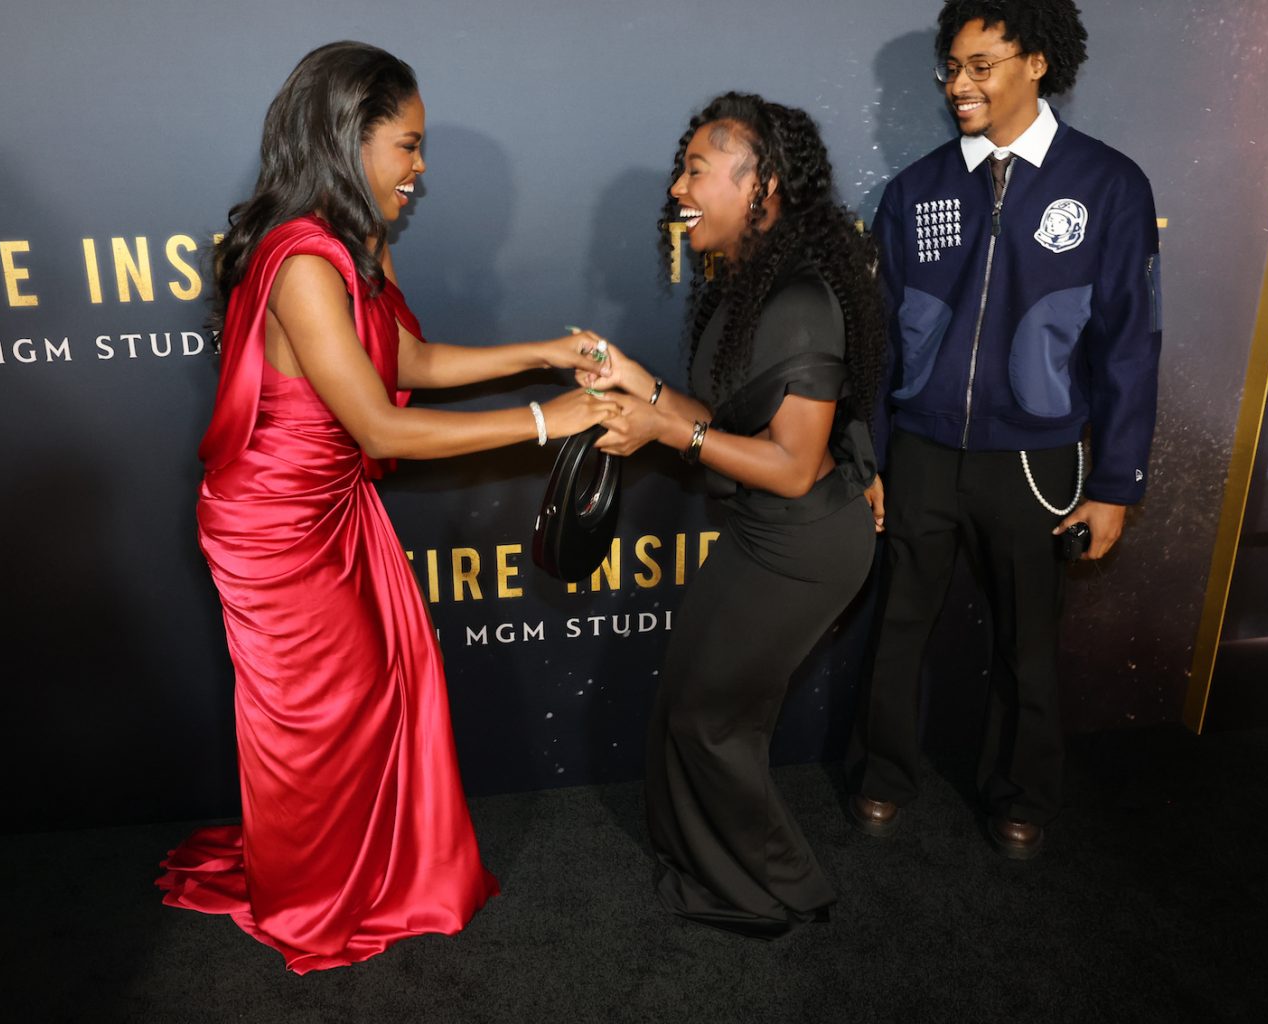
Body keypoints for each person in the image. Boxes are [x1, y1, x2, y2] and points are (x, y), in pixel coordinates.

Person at [155, 41, 613, 972]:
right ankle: (315, 896)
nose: (420, 166)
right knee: (325, 712)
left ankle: (363, 877)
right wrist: (543, 418)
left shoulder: (359, 244)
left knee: (380, 692)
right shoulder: (300, 262)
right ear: (347, 139)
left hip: (331, 506)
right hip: (272, 527)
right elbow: (383, 427)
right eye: (407, 144)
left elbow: (407, 363)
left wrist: (544, 353)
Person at [846, 0, 1162, 859]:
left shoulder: (1109, 186)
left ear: (1038, 63)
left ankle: (1023, 796)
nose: (958, 84)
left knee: (1029, 645)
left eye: (980, 65)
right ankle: (883, 778)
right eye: (951, 67)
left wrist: (1114, 486)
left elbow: (1130, 348)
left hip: (1037, 462)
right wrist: (868, 453)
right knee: (899, 629)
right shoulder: (916, 190)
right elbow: (873, 344)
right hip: (920, 453)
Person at [586, 93, 885, 936]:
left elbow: (791, 468)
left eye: (696, 169)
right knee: (696, 706)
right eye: (684, 166)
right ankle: (732, 873)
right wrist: (637, 385)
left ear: (767, 187)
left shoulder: (796, 300)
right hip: (762, 533)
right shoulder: (742, 289)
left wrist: (662, 430)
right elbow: (713, 416)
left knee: (712, 720)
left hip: (805, 545)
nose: (678, 186)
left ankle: (773, 888)